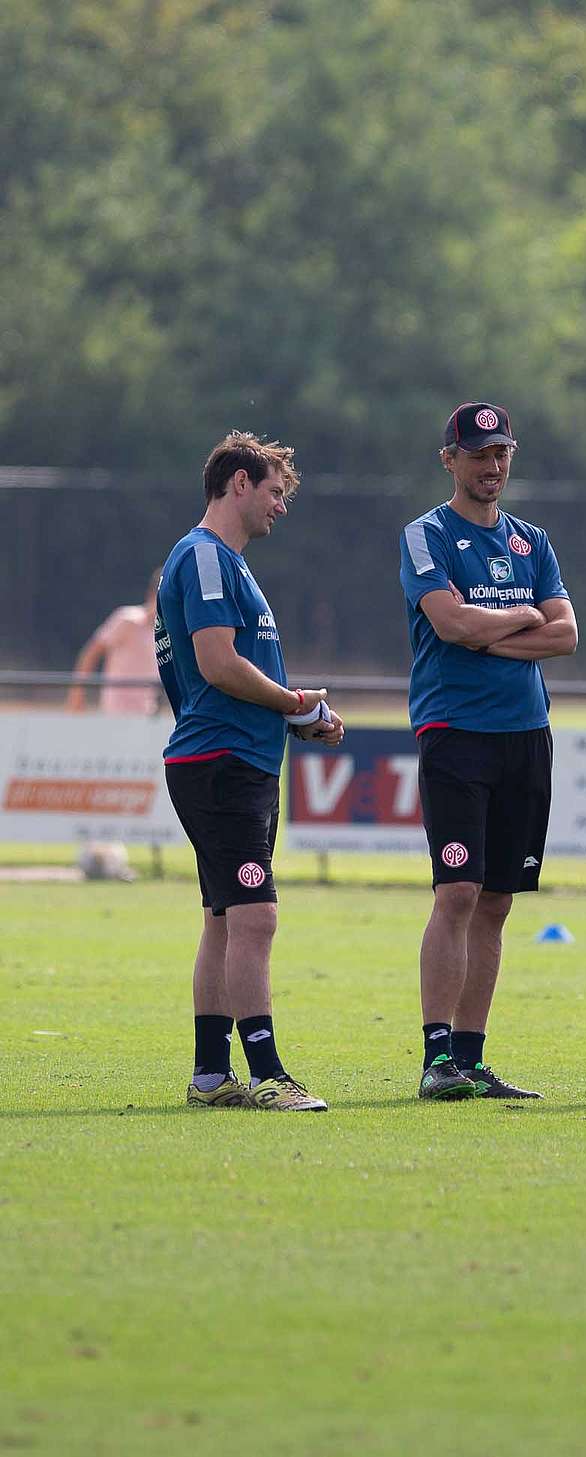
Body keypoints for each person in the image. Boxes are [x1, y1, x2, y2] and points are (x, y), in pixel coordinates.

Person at [156, 430, 345, 1113]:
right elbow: (217, 665)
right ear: (239, 483)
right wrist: (293, 702)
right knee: (256, 916)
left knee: (225, 920)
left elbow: (231, 676)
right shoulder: (206, 556)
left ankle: (211, 1075)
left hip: (236, 758)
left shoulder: (226, 564)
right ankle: (269, 1074)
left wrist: (297, 718)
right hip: (222, 763)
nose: (280, 507)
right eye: (274, 492)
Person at [398, 402, 577, 1102]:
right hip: (456, 731)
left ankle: (471, 1060)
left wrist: (489, 631)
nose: (492, 464)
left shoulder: (533, 540)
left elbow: (566, 635)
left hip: (526, 732)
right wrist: (522, 617)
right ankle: (436, 1057)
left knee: (497, 901)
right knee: (457, 893)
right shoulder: (427, 534)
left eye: (501, 452)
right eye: (478, 454)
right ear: (450, 460)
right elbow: (449, 624)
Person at [67, 570, 164, 715]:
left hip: (147, 714)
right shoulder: (127, 619)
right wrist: (77, 694)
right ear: (152, 594)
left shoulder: (167, 632)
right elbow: (91, 653)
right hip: (116, 712)